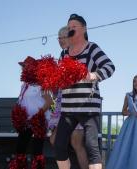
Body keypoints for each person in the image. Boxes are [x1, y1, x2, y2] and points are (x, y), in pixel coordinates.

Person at [54, 14, 115, 169]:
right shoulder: (64, 53)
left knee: (91, 146)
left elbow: (109, 67)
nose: (70, 29)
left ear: (84, 29)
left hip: (88, 107)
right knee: (59, 144)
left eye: (74, 26)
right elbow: (62, 77)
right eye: (69, 27)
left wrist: (92, 75)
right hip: (68, 108)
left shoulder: (92, 48)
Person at [48, 26, 88, 169]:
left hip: (76, 103)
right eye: (58, 37)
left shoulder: (79, 53)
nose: (60, 40)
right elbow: (59, 83)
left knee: (77, 143)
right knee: (55, 140)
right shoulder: (62, 55)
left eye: (63, 37)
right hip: (62, 103)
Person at [9, 56, 53, 169]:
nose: (23, 69)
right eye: (23, 67)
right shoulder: (25, 85)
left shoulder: (42, 84)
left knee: (37, 150)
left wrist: (38, 115)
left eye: (25, 67)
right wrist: (18, 114)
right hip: (26, 121)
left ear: (32, 68)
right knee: (20, 147)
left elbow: (49, 101)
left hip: (39, 121)